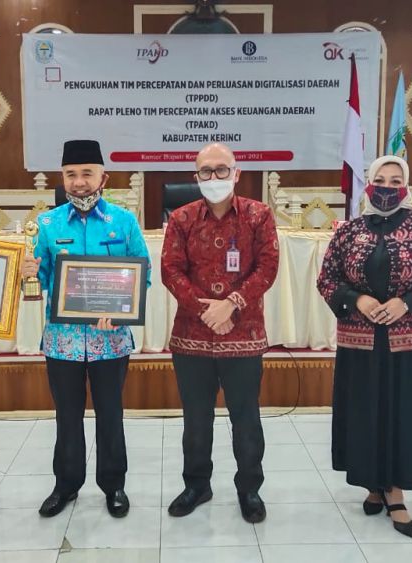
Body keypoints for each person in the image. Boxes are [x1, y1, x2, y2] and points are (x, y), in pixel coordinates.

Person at [316, 155, 412, 538]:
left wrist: (407, 303)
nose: (387, 187)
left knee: (404, 413)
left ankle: (396, 491)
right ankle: (372, 483)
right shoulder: (349, 231)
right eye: (380, 179)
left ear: (406, 186)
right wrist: (357, 300)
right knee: (365, 412)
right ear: (368, 184)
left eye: (396, 181)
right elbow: (327, 279)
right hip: (361, 343)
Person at [20, 139, 150, 519]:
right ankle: (66, 485)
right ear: (63, 178)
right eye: (71, 174)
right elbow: (42, 280)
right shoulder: (47, 224)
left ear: (103, 177)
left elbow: (142, 274)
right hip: (63, 342)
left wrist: (121, 312)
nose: (79, 182)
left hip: (112, 340)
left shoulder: (124, 222)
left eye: (87, 173)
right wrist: (28, 274)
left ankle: (114, 485)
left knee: (110, 414)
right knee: (67, 416)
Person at [161, 142, 279, 523]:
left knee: (246, 418)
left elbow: (268, 267)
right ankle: (197, 485)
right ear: (196, 176)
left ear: (236, 173)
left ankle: (250, 489)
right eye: (206, 171)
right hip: (191, 336)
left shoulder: (259, 215)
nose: (214, 177)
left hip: (244, 333)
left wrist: (231, 304)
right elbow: (170, 270)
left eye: (221, 169)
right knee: (196, 419)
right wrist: (205, 310)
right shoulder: (181, 218)